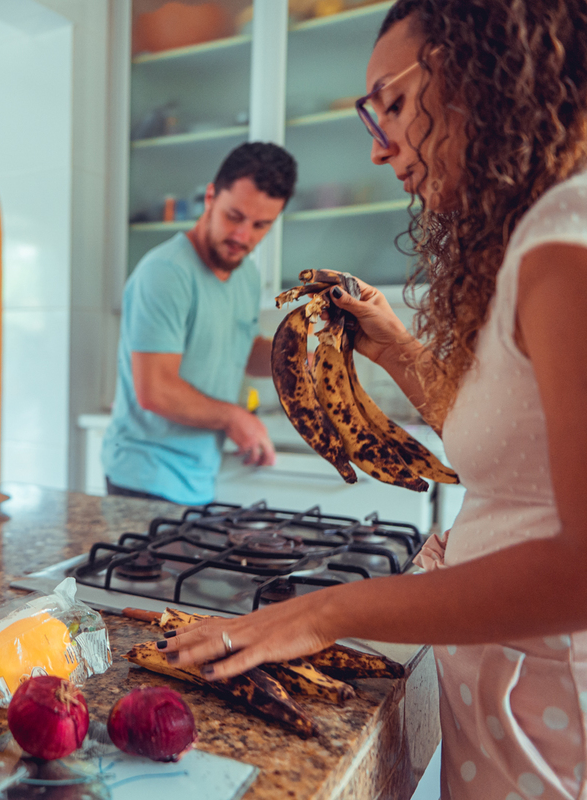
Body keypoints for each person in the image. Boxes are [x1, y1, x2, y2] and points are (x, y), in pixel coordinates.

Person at [157, 3, 587, 798]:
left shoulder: (568, 236)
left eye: (391, 102)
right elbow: (510, 449)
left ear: (485, 78)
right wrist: (393, 346)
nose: (379, 144)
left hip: (556, 718)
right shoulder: (540, 235)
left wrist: (325, 612)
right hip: (520, 706)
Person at [101, 142, 297, 505]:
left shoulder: (246, 276)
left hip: (199, 479)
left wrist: (297, 359)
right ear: (210, 197)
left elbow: (238, 345)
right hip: (143, 482)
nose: (244, 236)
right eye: (234, 216)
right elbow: (154, 390)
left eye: (261, 225)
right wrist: (235, 418)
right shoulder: (165, 273)